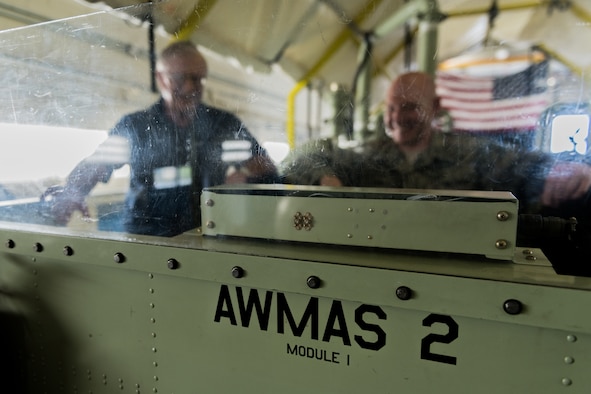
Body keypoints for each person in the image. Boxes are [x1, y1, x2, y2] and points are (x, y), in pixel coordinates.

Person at [45, 41, 278, 236]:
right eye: (179, 78)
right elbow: (98, 164)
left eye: (197, 79)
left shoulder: (225, 125)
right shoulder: (134, 126)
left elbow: (269, 173)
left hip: (206, 236)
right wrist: (72, 191)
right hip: (145, 240)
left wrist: (246, 183)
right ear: (160, 78)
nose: (189, 87)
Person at [356, 71, 591, 214]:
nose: (396, 117)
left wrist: (563, 170)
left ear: (435, 107)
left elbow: (522, 165)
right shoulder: (368, 155)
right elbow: (327, 159)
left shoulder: (467, 152)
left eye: (409, 107)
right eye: (391, 108)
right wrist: (326, 175)